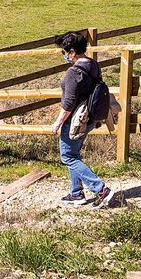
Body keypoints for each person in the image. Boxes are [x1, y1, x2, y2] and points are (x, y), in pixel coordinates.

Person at [49, 33, 115, 208]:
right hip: (90, 116)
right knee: (74, 154)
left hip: (75, 120)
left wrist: (57, 122)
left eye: (64, 52)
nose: (63, 55)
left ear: (72, 52)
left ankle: (101, 190)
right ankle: (76, 193)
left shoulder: (74, 72)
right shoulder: (93, 65)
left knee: (68, 157)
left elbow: (69, 104)